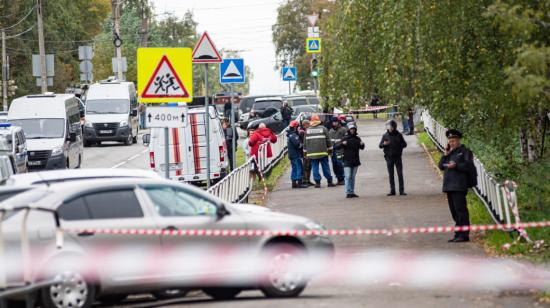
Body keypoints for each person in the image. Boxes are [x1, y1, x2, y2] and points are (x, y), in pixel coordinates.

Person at [438, 129, 475, 243]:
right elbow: (441, 166)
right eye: (450, 141)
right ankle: (458, 233)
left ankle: (464, 235)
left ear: (458, 140)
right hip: (449, 186)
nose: (451, 143)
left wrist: (457, 165)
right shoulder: (450, 153)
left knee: (461, 211)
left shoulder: (465, 152)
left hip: (459, 185)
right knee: (454, 212)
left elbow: (468, 166)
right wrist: (445, 155)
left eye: (453, 140)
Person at [304, 114, 335, 188]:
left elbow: (305, 143)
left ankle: (317, 183)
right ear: (318, 121)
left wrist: (305, 153)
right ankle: (329, 182)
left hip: (312, 154)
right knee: (325, 167)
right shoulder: (323, 129)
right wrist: (330, 151)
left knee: (315, 168)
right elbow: (328, 141)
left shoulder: (307, 130)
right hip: (323, 153)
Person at [335, 122, 365, 198]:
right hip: (347, 160)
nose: (352, 130)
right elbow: (336, 147)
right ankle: (348, 192)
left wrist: (362, 144)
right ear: (348, 130)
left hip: (355, 160)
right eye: (351, 129)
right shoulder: (345, 138)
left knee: (352, 177)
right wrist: (342, 144)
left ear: (355, 130)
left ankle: (352, 191)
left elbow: (362, 148)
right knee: (348, 176)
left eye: (353, 129)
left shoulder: (357, 138)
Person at [379, 120, 407, 196]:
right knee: (391, 175)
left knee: (400, 174)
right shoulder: (385, 135)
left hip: (398, 157)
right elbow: (380, 145)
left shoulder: (399, 135)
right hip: (389, 157)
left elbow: (404, 144)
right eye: (388, 127)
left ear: (394, 127)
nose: (389, 128)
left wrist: (399, 145)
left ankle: (401, 190)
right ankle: (392, 190)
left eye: (390, 126)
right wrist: (384, 144)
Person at [287, 120, 307, 189]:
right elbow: (298, 145)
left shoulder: (291, 134)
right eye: (298, 127)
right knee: (299, 168)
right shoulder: (293, 135)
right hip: (295, 155)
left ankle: (294, 182)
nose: (299, 128)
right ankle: (299, 182)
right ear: (295, 127)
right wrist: (303, 144)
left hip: (292, 154)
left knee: (294, 168)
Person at [329, 116, 347, 185]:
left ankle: (342, 179)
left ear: (338, 122)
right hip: (333, 152)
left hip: (341, 151)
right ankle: (339, 179)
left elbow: (346, 139)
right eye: (334, 122)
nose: (335, 123)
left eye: (336, 122)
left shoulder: (343, 130)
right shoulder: (330, 131)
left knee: (340, 165)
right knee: (335, 166)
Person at [300, 119, 314, 186]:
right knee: (306, 166)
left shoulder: (306, 131)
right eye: (308, 124)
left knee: (309, 166)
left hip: (309, 151)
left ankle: (308, 180)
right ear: (305, 124)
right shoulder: (302, 132)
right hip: (305, 152)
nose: (309, 125)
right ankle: (305, 180)